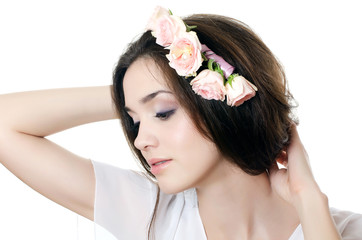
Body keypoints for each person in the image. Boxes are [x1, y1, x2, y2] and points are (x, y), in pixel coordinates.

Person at [0, 6, 361, 240]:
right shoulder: (152, 213)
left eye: (162, 113)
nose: (140, 140)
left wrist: (309, 200)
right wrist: (136, 93)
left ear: (223, 101)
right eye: (133, 121)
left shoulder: (343, 230)